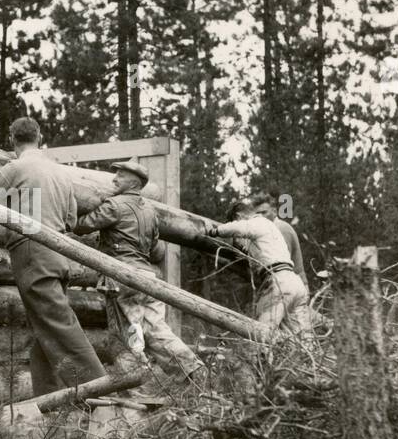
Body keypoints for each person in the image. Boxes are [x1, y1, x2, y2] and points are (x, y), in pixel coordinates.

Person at [0, 117, 106, 395]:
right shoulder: (61, 173)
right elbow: (72, 218)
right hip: (59, 253)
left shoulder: (16, 167)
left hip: (32, 250)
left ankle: (100, 391)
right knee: (43, 325)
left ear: (13, 140)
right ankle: (49, 402)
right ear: (39, 137)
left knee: (57, 323)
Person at [75, 160, 205, 382]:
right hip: (147, 278)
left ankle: (136, 388)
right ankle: (194, 370)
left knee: (125, 336)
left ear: (133, 182)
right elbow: (156, 252)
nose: (114, 179)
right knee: (157, 330)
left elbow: (82, 225)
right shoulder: (151, 212)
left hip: (121, 275)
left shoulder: (114, 206)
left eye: (120, 175)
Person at [208, 198, 311, 335]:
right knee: (302, 337)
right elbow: (255, 254)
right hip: (295, 283)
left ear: (238, 217)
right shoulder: (270, 228)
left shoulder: (255, 223)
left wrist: (214, 231)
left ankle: (261, 356)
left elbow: (238, 227)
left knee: (262, 334)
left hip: (278, 282)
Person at [249, 189, 307, 287]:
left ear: (275, 212)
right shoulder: (266, 232)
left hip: (292, 286)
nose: (261, 217)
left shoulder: (281, 228)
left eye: (264, 213)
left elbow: (282, 266)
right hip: (284, 285)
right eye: (257, 214)